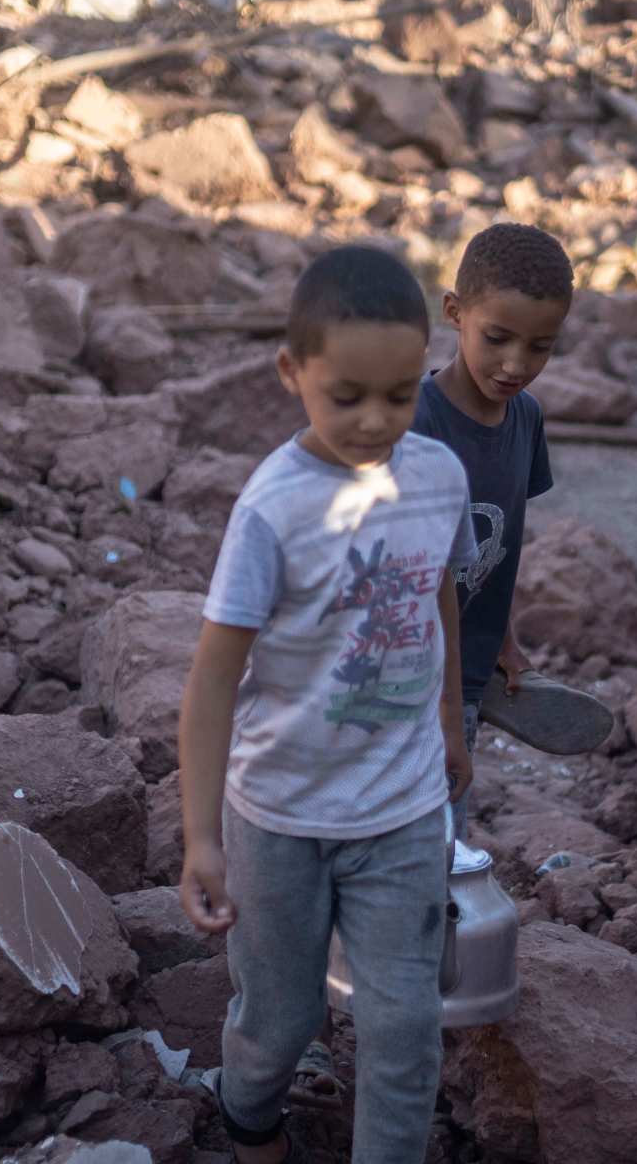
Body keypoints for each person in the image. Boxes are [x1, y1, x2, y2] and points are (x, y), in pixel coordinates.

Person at [175, 244, 474, 1164]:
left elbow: (438, 596)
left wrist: (451, 719)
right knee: (278, 1017)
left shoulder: (439, 478)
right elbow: (215, 676)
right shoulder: (273, 509)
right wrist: (202, 838)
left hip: (403, 809)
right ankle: (250, 1120)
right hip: (280, 818)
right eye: (346, 396)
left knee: (403, 1024)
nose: (376, 420)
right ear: (291, 372)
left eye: (399, 394)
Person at [410, 221, 574, 747]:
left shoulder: (525, 419)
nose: (516, 365)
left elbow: (494, 552)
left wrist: (501, 641)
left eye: (540, 347)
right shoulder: (413, 425)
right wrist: (443, 702)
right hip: (396, 678)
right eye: (497, 339)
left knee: (442, 813)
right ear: (455, 312)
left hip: (467, 675)